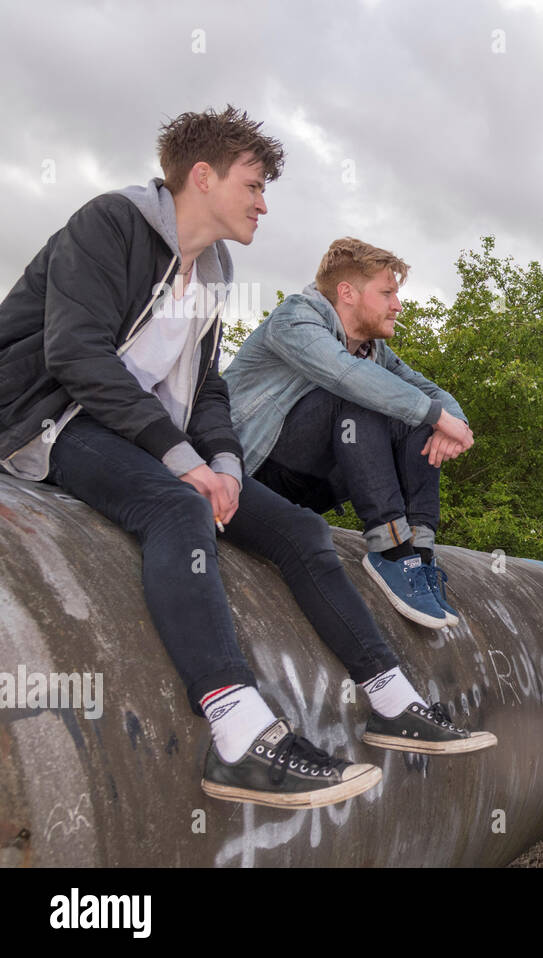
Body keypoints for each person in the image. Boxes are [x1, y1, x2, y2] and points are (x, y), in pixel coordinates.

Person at [0, 107, 493, 810]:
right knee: (175, 508)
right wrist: (179, 459)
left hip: (137, 431)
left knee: (300, 531)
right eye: (255, 184)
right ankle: (239, 736)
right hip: (50, 417)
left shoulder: (213, 269)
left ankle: (393, 702)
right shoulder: (109, 223)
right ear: (202, 177)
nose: (265, 202)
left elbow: (205, 387)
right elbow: (75, 356)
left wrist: (225, 462)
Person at [224, 238, 471, 629]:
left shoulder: (372, 349)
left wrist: (453, 424)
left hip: (307, 489)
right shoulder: (295, 319)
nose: (398, 305)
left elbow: (430, 393)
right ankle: (389, 550)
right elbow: (346, 376)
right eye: (387, 293)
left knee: (417, 415)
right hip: (247, 476)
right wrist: (438, 416)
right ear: (347, 293)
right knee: (361, 395)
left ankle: (419, 553)